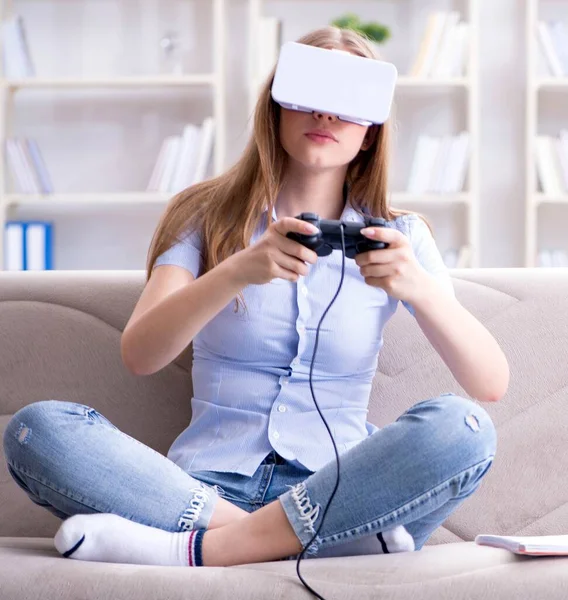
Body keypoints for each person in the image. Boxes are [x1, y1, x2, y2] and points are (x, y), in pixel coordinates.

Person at [3, 26, 508, 569]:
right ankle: (300, 544)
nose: (326, 115)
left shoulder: (402, 235)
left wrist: (419, 289)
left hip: (340, 487)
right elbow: (140, 353)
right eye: (309, 96)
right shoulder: (204, 216)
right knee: (37, 429)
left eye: (348, 104)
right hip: (205, 491)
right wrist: (238, 270)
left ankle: (202, 551)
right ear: (277, 109)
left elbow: (490, 383)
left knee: (465, 429)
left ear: (370, 133)